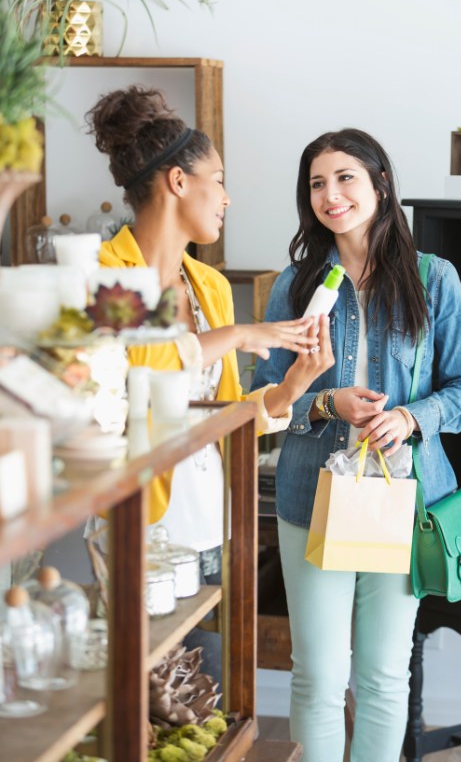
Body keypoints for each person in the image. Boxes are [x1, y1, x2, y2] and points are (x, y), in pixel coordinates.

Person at [250, 128, 461, 762]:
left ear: (380, 183)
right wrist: (328, 404)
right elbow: (264, 401)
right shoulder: (296, 285)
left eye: (345, 177)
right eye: (317, 184)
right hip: (310, 496)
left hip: (401, 503)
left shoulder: (434, 280)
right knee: (319, 677)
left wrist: (412, 418)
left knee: (384, 678)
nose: (332, 195)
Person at [84, 86, 334, 683]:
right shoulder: (104, 277)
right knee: (143, 701)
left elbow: (220, 411)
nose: (226, 197)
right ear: (177, 182)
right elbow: (122, 381)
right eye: (217, 180)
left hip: (211, 528)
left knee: (208, 700)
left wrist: (293, 386)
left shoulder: (210, 288)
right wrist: (241, 336)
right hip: (140, 530)